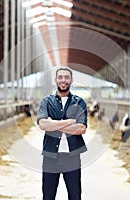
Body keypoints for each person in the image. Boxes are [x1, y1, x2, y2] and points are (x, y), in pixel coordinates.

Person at [37, 66, 88, 200]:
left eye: (66, 77)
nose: (63, 80)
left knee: (75, 195)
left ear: (71, 80)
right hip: (50, 156)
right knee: (48, 196)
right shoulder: (46, 102)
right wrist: (69, 122)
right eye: (60, 77)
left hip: (72, 157)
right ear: (55, 80)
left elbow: (81, 129)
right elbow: (43, 125)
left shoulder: (79, 102)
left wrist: (53, 124)